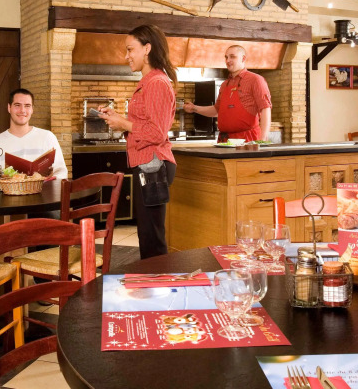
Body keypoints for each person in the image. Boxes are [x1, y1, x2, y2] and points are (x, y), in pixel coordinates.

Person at [98, 24, 177, 259]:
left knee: (152, 237)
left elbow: (157, 133)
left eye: (130, 49)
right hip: (147, 164)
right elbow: (145, 125)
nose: (127, 56)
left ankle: (158, 281)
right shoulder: (148, 82)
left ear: (147, 49)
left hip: (153, 165)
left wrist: (123, 123)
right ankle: (152, 279)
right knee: (147, 234)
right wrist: (119, 120)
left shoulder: (157, 83)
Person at [184, 45, 272, 142]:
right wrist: (194, 108)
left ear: (243, 58)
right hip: (225, 140)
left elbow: (265, 108)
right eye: (226, 57)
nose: (228, 60)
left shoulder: (255, 80)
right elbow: (216, 110)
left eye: (232, 57)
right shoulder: (224, 85)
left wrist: (263, 139)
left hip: (247, 139)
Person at [0, 88, 67, 180]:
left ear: (32, 109)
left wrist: (49, 179)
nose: (22, 110)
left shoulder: (47, 137)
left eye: (27, 106)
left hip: (43, 189)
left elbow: (61, 172)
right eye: (17, 105)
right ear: (9, 108)